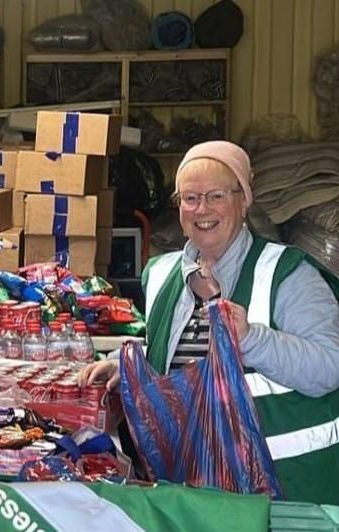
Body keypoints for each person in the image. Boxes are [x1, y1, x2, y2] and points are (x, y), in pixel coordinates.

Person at [78, 140, 339, 504]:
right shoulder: (161, 274)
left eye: (216, 196)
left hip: (286, 497)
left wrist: (251, 338)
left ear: (244, 200)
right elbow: (179, 367)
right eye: (190, 198)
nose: (202, 210)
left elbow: (329, 367)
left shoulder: (288, 274)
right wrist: (133, 369)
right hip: (194, 491)